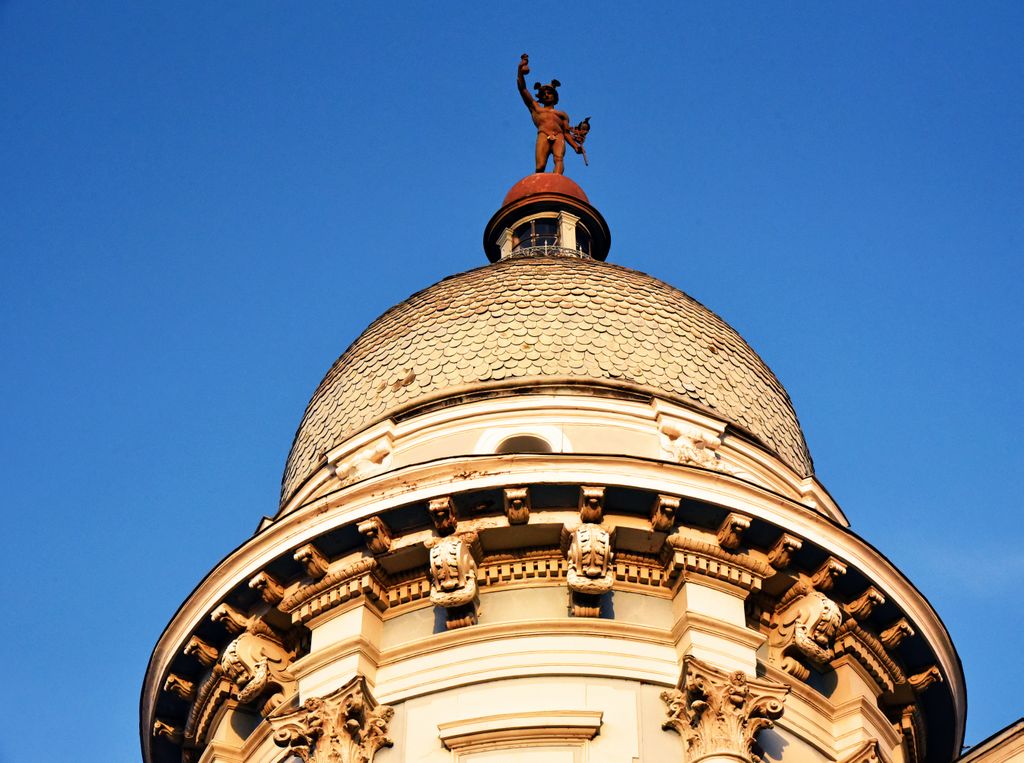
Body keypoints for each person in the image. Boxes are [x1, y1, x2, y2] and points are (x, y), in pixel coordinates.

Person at [517, 54, 583, 174]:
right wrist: (520, 71)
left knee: (559, 160)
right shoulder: (536, 108)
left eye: (549, 93)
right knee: (540, 167)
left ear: (555, 96)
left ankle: (557, 183)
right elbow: (523, 89)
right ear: (540, 97)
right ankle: (541, 188)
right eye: (544, 93)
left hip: (559, 136)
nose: (547, 95)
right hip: (543, 134)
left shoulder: (562, 114)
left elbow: (566, 133)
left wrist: (575, 146)